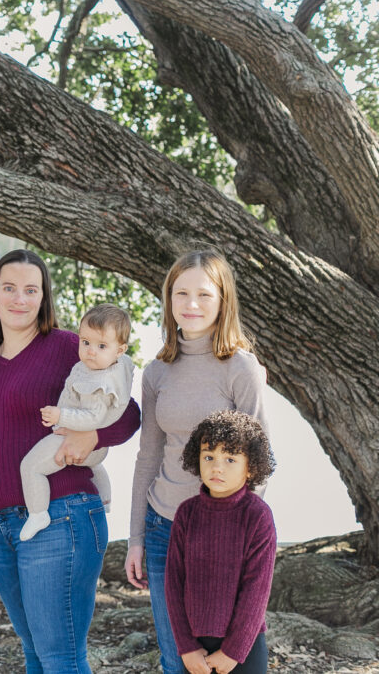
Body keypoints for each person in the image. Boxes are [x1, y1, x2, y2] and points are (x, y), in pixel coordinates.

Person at [0, 249, 140, 673]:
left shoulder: (69, 347)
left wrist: (93, 436)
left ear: (44, 296)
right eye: (9, 288)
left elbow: (130, 413)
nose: (19, 299)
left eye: (31, 290)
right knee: (34, 654)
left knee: (61, 658)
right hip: (5, 524)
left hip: (62, 517)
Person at [125, 249, 268, 674]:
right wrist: (135, 538)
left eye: (204, 295)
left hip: (223, 534)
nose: (190, 305)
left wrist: (240, 534)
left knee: (225, 661)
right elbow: (148, 456)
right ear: (168, 299)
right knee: (177, 661)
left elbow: (259, 461)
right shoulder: (158, 372)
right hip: (163, 528)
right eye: (180, 293)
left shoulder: (241, 368)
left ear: (223, 300)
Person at [166, 410, 276, 674]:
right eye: (209, 456)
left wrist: (232, 652)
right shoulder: (187, 513)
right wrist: (186, 647)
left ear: (250, 467)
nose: (217, 467)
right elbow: (173, 583)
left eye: (230, 458)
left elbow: (256, 590)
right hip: (195, 648)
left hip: (243, 649)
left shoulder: (257, 515)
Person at [19, 303, 134, 541]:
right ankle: (105, 497)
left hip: (78, 439)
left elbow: (94, 417)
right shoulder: (95, 367)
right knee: (91, 463)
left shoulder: (102, 383)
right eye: (86, 342)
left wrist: (61, 416)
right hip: (92, 453)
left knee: (30, 467)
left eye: (101, 346)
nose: (91, 351)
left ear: (119, 350)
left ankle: (38, 513)